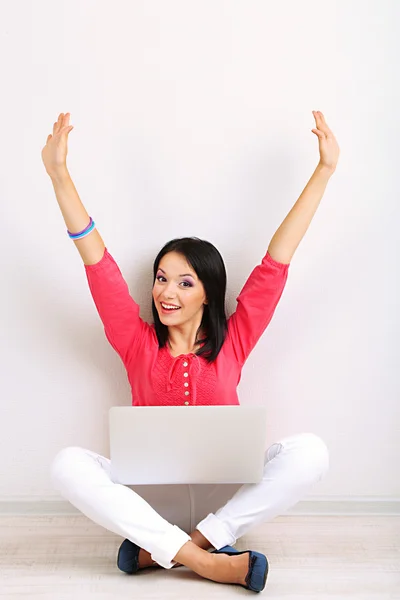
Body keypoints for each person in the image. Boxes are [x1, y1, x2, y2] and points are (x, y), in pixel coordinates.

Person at [41, 111, 339, 593]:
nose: (166, 292)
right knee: (66, 464)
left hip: (224, 499)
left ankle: (180, 547)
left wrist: (323, 171)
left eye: (184, 282)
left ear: (208, 292)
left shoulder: (235, 338)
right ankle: (210, 563)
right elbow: (98, 264)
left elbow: (277, 262)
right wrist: (59, 175)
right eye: (161, 279)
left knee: (311, 452)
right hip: (152, 502)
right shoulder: (136, 340)